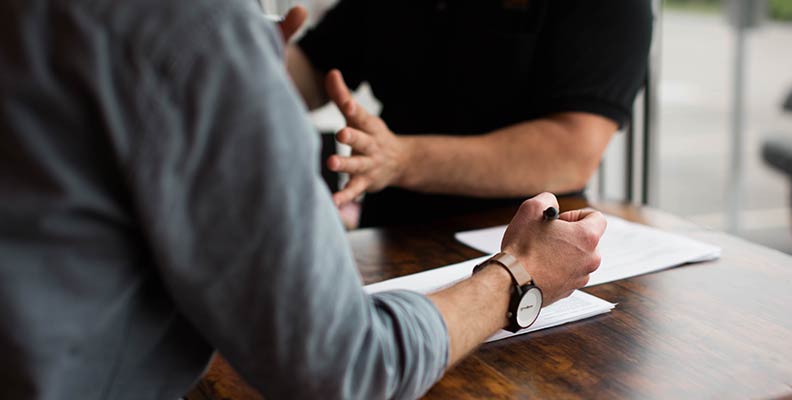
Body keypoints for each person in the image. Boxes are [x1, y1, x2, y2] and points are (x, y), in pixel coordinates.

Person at [0, 1, 606, 399]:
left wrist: (236, 64)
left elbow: (576, 147)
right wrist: (519, 275)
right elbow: (343, 366)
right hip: (412, 265)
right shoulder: (188, 25)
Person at [287, 0, 653, 227]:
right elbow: (315, 68)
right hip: (392, 234)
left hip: (523, 245)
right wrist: (248, 61)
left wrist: (401, 159)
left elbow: (571, 150)